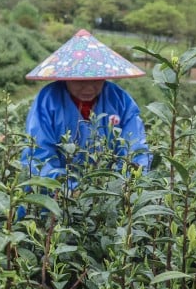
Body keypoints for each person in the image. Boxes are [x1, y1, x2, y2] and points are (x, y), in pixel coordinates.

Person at [20, 29, 151, 195]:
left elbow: (136, 148)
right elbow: (38, 155)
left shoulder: (119, 100)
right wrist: (67, 190)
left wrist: (123, 186)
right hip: (59, 197)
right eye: (80, 81)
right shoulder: (48, 101)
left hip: (110, 194)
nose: (89, 88)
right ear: (65, 77)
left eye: (96, 80)